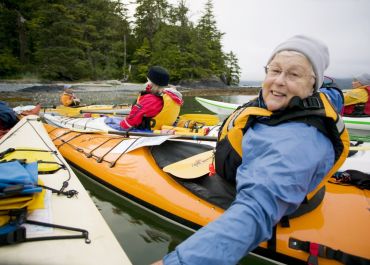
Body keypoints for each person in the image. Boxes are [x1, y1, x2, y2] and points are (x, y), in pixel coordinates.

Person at [153, 35, 349, 265]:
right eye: (274, 70)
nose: (279, 81)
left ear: (313, 84)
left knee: (163, 154)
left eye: (294, 74)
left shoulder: (294, 142)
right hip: (246, 167)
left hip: (250, 191)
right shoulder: (298, 103)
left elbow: (255, 211)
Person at [117, 66, 183, 130]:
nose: (147, 83)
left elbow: (130, 121)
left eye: (148, 80)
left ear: (152, 83)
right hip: (163, 129)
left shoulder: (149, 100)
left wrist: (120, 127)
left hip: (147, 131)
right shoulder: (171, 97)